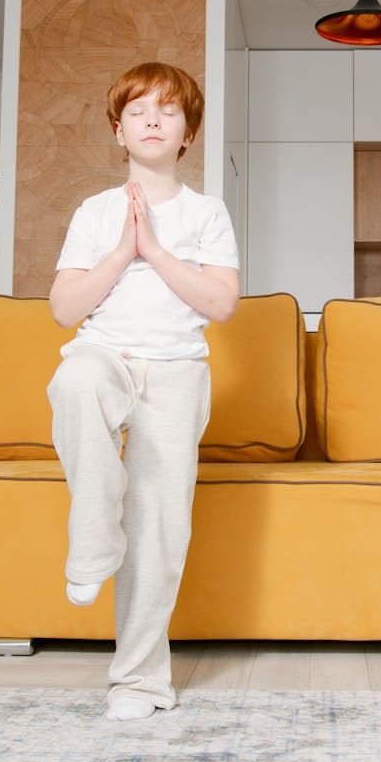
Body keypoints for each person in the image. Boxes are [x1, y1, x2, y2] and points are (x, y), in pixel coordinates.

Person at [47, 62, 240, 721]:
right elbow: (63, 308)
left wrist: (155, 250)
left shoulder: (206, 213)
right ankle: (95, 538)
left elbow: (222, 304)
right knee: (74, 379)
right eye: (138, 110)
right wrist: (122, 250)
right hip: (106, 355)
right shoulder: (94, 212)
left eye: (168, 109)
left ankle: (138, 682)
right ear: (118, 131)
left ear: (187, 133)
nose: (153, 118)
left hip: (177, 369)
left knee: (159, 526)